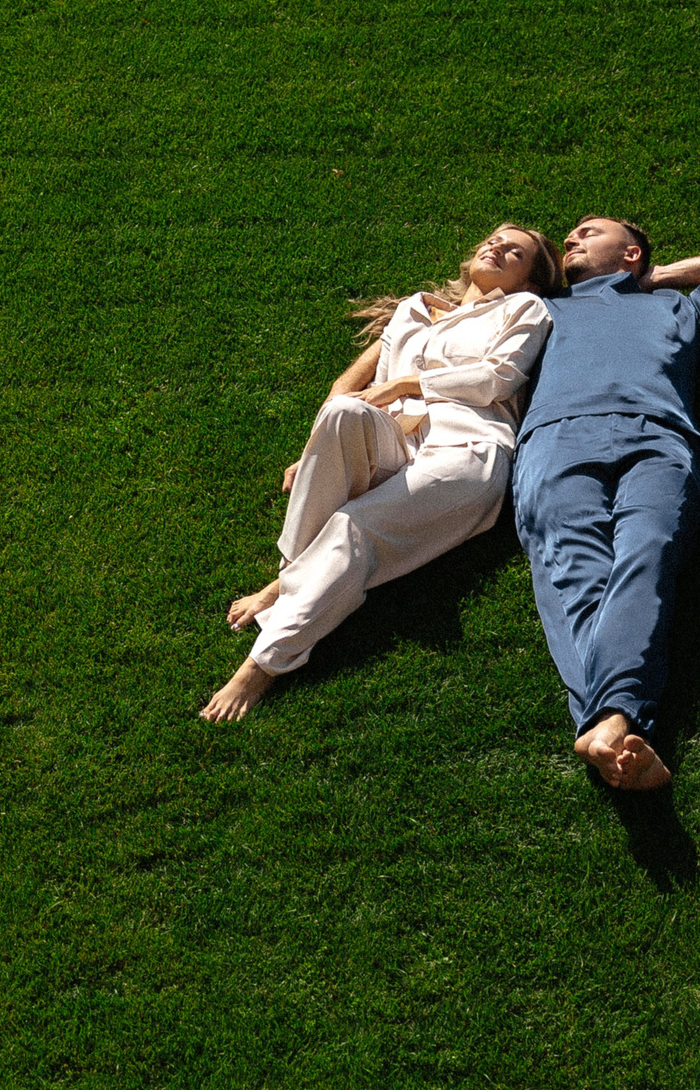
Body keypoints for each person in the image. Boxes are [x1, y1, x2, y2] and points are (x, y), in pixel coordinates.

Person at [203, 224, 561, 722]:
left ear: (531, 281)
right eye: (494, 240)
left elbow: (496, 378)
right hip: (398, 440)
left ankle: (264, 662)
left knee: (354, 527)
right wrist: (314, 452)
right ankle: (291, 586)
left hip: (465, 451)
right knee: (341, 413)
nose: (497, 247)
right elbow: (351, 390)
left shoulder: (526, 309)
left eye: (515, 251)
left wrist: (406, 384)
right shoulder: (416, 307)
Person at [512, 217, 700, 790]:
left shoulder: (678, 309)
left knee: (649, 556)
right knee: (574, 573)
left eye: (590, 232)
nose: (571, 239)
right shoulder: (534, 312)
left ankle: (606, 722)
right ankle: (614, 722)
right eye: (571, 236)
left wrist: (657, 277)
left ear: (631, 251)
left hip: (660, 438)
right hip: (557, 437)